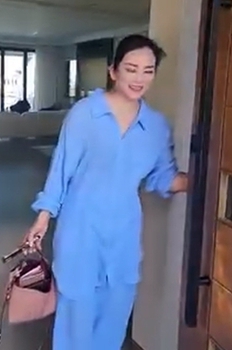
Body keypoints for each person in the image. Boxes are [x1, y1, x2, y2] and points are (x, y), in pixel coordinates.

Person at [23, 34, 189, 350]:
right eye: (131, 68)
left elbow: (164, 177)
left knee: (113, 323)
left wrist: (208, 179)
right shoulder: (85, 113)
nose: (139, 78)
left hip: (124, 239)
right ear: (113, 71)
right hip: (80, 234)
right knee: (75, 323)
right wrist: (43, 218)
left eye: (148, 70)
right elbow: (61, 170)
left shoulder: (156, 126)